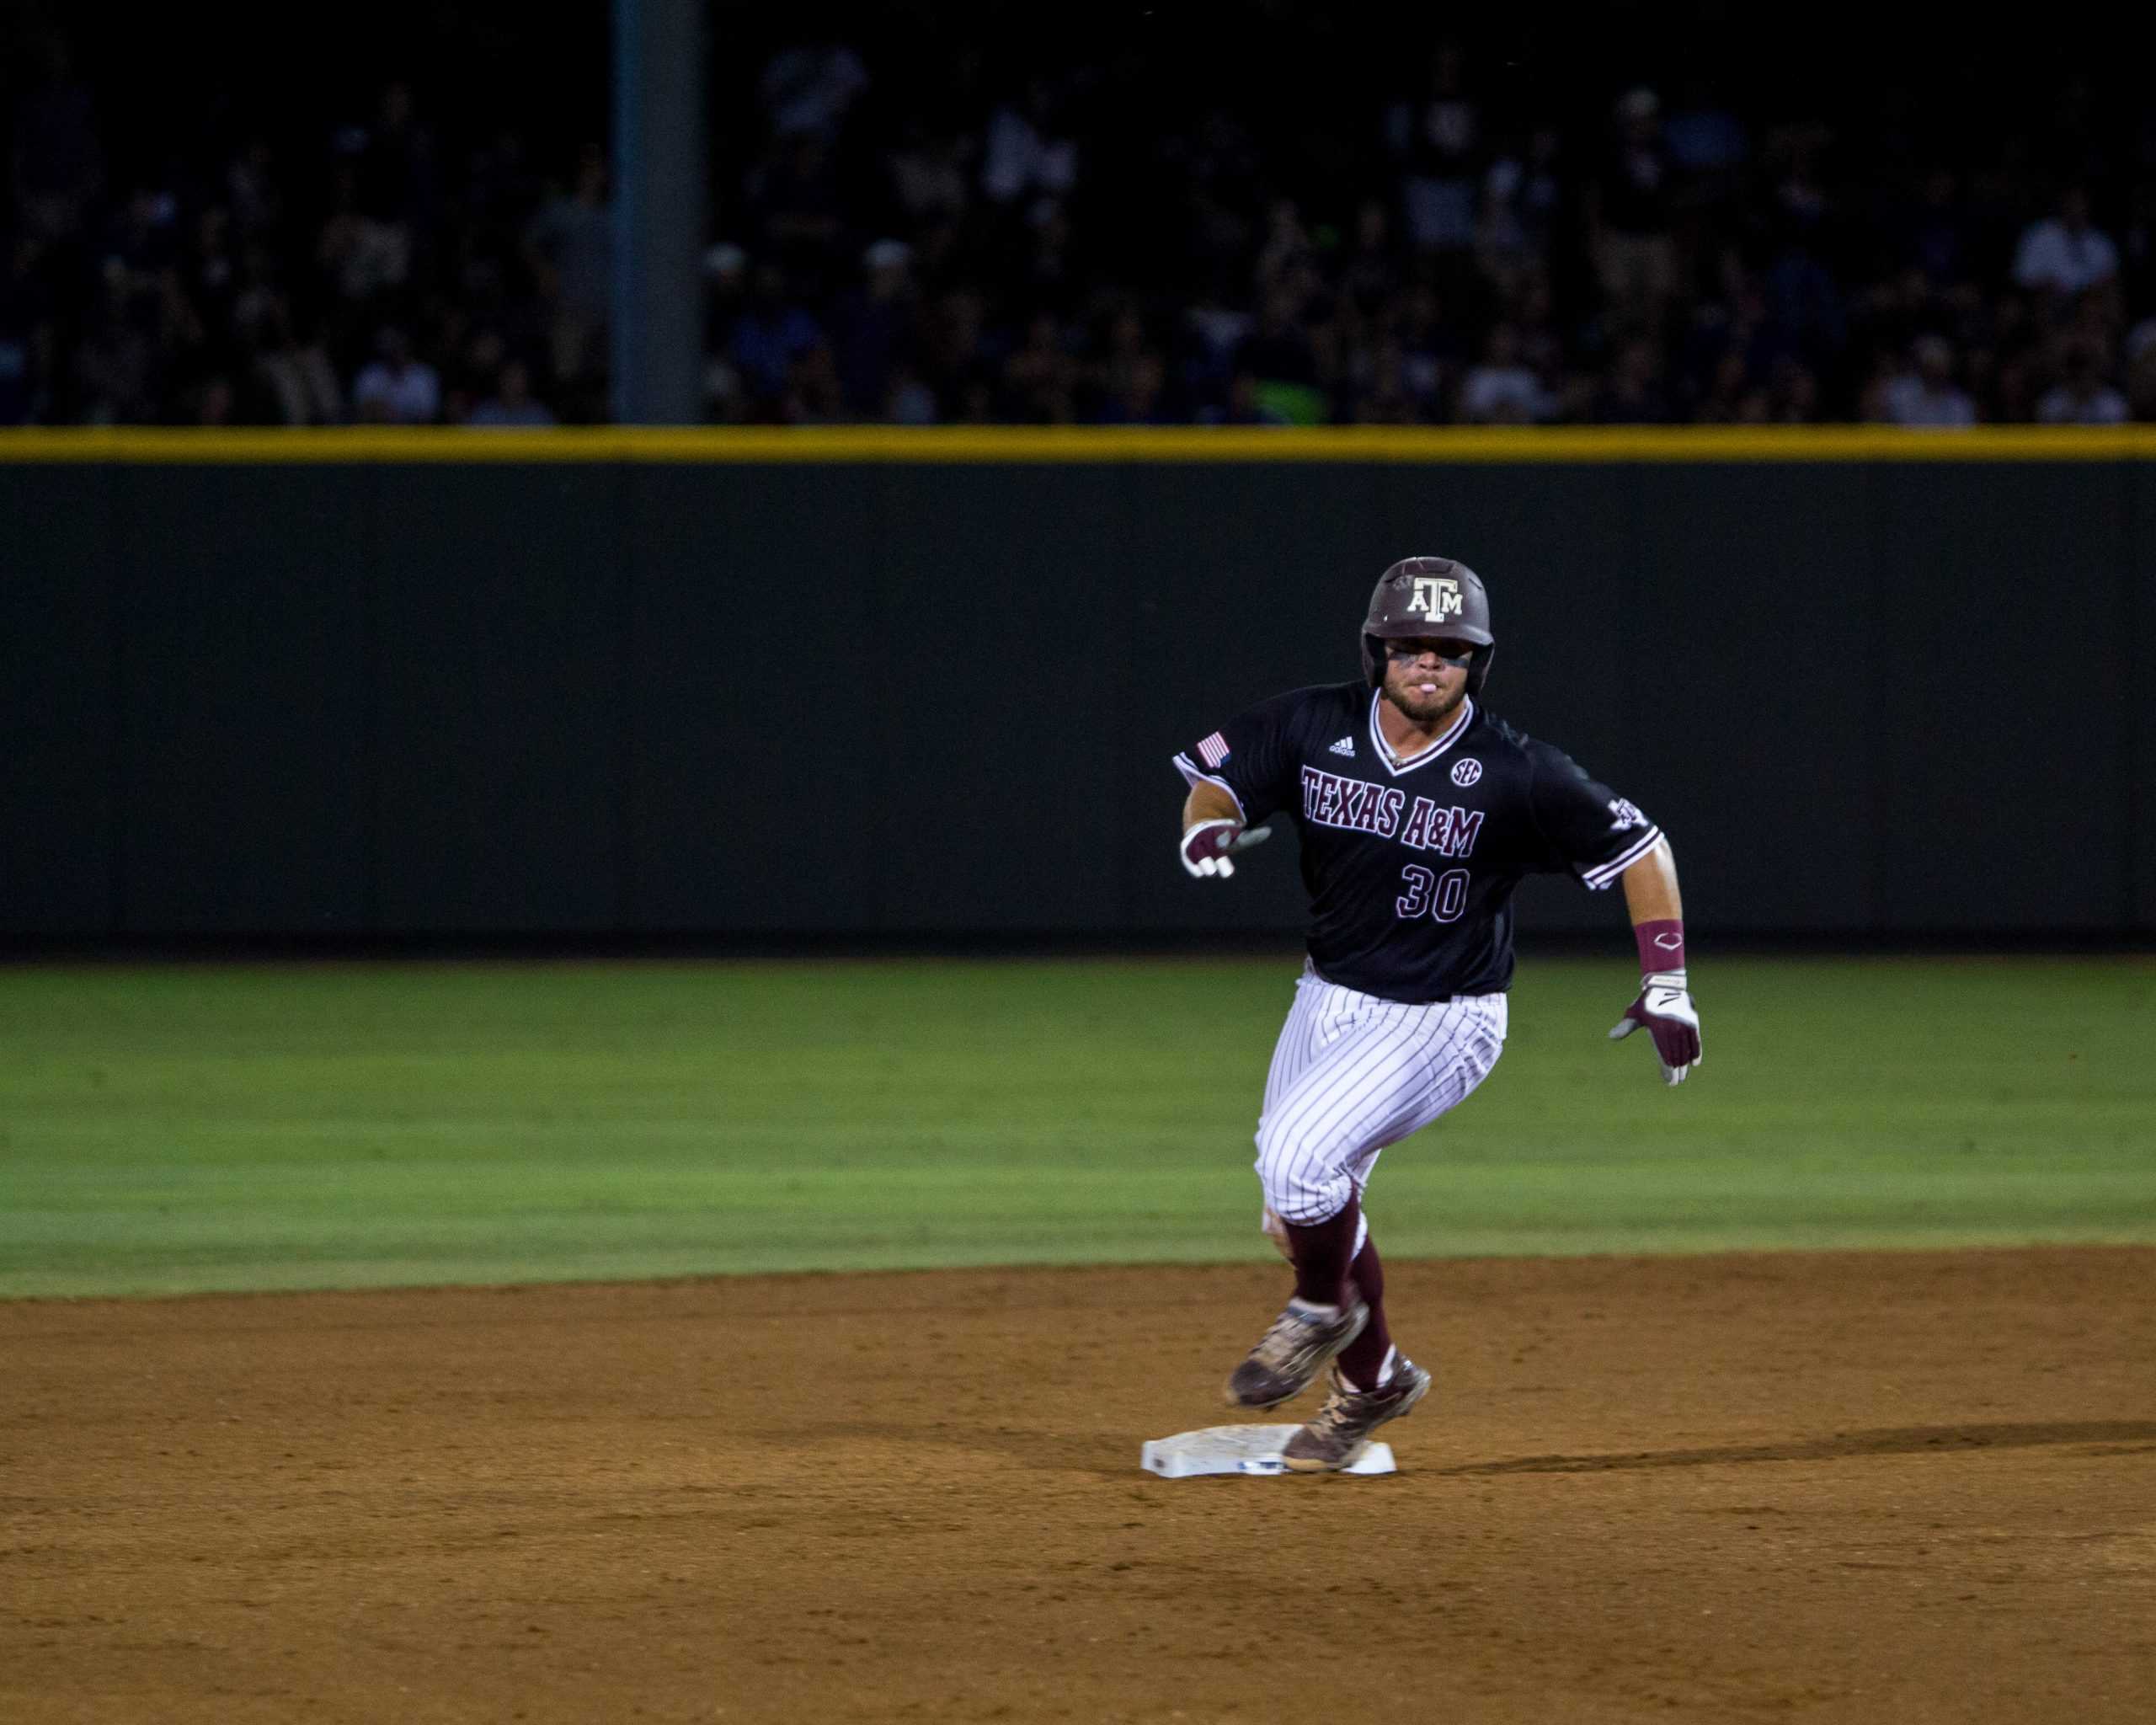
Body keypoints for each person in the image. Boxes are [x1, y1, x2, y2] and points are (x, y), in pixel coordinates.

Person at [1172, 557, 1700, 1471]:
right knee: (1293, 1209)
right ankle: (1373, 1379)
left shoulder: (1516, 770)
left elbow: (1642, 846)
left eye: (1451, 649)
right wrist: (1204, 824)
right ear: (1377, 650)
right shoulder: (1310, 722)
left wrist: (1666, 981)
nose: (1429, 663)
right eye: (1410, 646)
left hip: (1441, 1017)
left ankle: (1322, 1313)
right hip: (1328, 994)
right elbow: (1216, 777)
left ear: (1476, 663)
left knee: (1300, 1165)